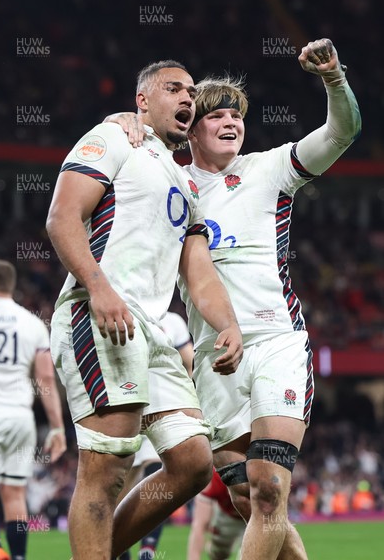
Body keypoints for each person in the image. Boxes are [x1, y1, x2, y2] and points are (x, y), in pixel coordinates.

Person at [107, 39, 361, 559]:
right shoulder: (170, 182)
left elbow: (343, 131)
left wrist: (334, 79)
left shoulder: (272, 169)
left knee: (270, 488)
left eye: (236, 115)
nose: (230, 122)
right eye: (216, 115)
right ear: (191, 128)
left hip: (275, 344)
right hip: (214, 358)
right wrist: (123, 119)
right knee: (249, 501)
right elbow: (125, 142)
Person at [46, 60, 243, 560]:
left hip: (153, 333)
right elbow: (63, 216)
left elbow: (198, 272)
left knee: (193, 463)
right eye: (173, 88)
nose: (187, 98)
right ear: (141, 101)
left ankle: (100, 552)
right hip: (100, 317)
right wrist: (99, 287)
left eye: (191, 92)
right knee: (106, 467)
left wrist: (229, 325)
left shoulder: (184, 182)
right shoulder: (114, 139)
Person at [0, 260, 66, 560]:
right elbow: (45, 378)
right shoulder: (32, 323)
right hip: (21, 419)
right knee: (15, 494)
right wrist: (57, 427)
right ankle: (18, 557)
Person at [119, 310, 194, 560]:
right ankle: (127, 550)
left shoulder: (126, 312)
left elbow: (190, 364)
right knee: (124, 484)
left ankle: (147, 548)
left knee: (156, 469)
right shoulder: (170, 321)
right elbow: (189, 363)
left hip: (152, 405)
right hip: (130, 406)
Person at [187, 468, 245, 560]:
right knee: (218, 554)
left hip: (257, 516)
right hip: (227, 517)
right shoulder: (214, 478)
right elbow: (199, 525)